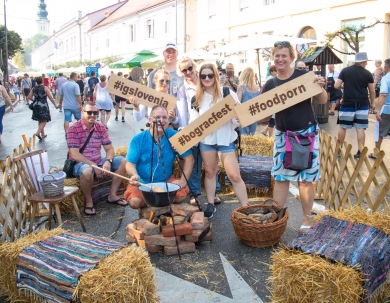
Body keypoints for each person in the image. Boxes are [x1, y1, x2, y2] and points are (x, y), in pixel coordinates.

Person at [260, 41, 327, 233]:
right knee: (281, 178)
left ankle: (307, 221)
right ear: (273, 58)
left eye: (284, 56)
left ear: (291, 58)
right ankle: (276, 221)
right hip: (283, 135)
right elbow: (262, 114)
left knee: (305, 180)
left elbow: (322, 100)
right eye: (277, 56)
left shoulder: (304, 77)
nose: (280, 59)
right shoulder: (271, 83)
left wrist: (320, 88)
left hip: (306, 134)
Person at [191, 63, 249, 218]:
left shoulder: (227, 93)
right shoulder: (196, 99)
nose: (207, 78)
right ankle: (210, 203)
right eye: (203, 76)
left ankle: (246, 207)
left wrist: (238, 116)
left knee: (235, 176)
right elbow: (193, 124)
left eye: (210, 75)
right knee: (210, 172)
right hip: (207, 142)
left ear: (216, 76)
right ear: (200, 78)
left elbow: (239, 120)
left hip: (226, 140)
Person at [124, 105, 194, 209]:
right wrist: (134, 175)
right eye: (157, 117)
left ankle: (157, 204)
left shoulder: (175, 136)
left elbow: (189, 159)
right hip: (143, 183)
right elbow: (130, 163)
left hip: (166, 180)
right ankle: (153, 204)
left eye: (164, 117)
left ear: (169, 120)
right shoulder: (138, 139)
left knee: (180, 197)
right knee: (135, 202)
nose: (161, 120)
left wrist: (183, 181)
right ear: (150, 120)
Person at [176, 56, 222, 206]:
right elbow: (183, 116)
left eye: (190, 68)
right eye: (184, 70)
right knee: (195, 165)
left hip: (212, 129)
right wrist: (188, 135)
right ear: (181, 72)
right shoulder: (182, 90)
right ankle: (194, 193)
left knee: (211, 166)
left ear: (194, 67)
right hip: (194, 130)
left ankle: (214, 192)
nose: (188, 72)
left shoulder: (206, 81)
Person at [67, 101, 127, 215]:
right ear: (82, 112)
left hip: (98, 161)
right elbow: (74, 154)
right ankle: (89, 202)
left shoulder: (100, 127)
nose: (93, 115)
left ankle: (112, 195)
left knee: (122, 161)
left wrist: (108, 161)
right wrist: (93, 165)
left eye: (95, 112)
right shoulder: (73, 129)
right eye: (89, 112)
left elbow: (109, 149)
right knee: (87, 171)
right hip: (80, 163)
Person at [334, 52, 375, 159]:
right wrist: (373, 104)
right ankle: (360, 152)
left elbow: (336, 85)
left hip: (347, 103)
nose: (366, 63)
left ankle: (338, 150)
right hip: (362, 104)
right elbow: (372, 91)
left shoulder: (345, 71)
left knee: (343, 127)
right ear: (362, 62)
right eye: (365, 61)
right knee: (360, 128)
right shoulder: (367, 73)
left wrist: (344, 85)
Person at [370, 58, 390, 159]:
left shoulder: (386, 78)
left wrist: (377, 110)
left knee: (380, 132)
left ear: (386, 67)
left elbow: (383, 95)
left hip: (387, 109)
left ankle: (376, 153)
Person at [237, 67, 259, 135]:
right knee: (251, 136)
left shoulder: (241, 87)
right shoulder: (257, 87)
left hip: (244, 115)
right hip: (254, 114)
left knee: (244, 138)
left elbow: (237, 102)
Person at [262, 65, 277, 137]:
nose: (277, 72)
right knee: (273, 120)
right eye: (275, 71)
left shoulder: (272, 79)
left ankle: (265, 130)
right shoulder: (270, 80)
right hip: (272, 102)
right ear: (272, 72)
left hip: (273, 102)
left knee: (274, 119)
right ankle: (270, 136)